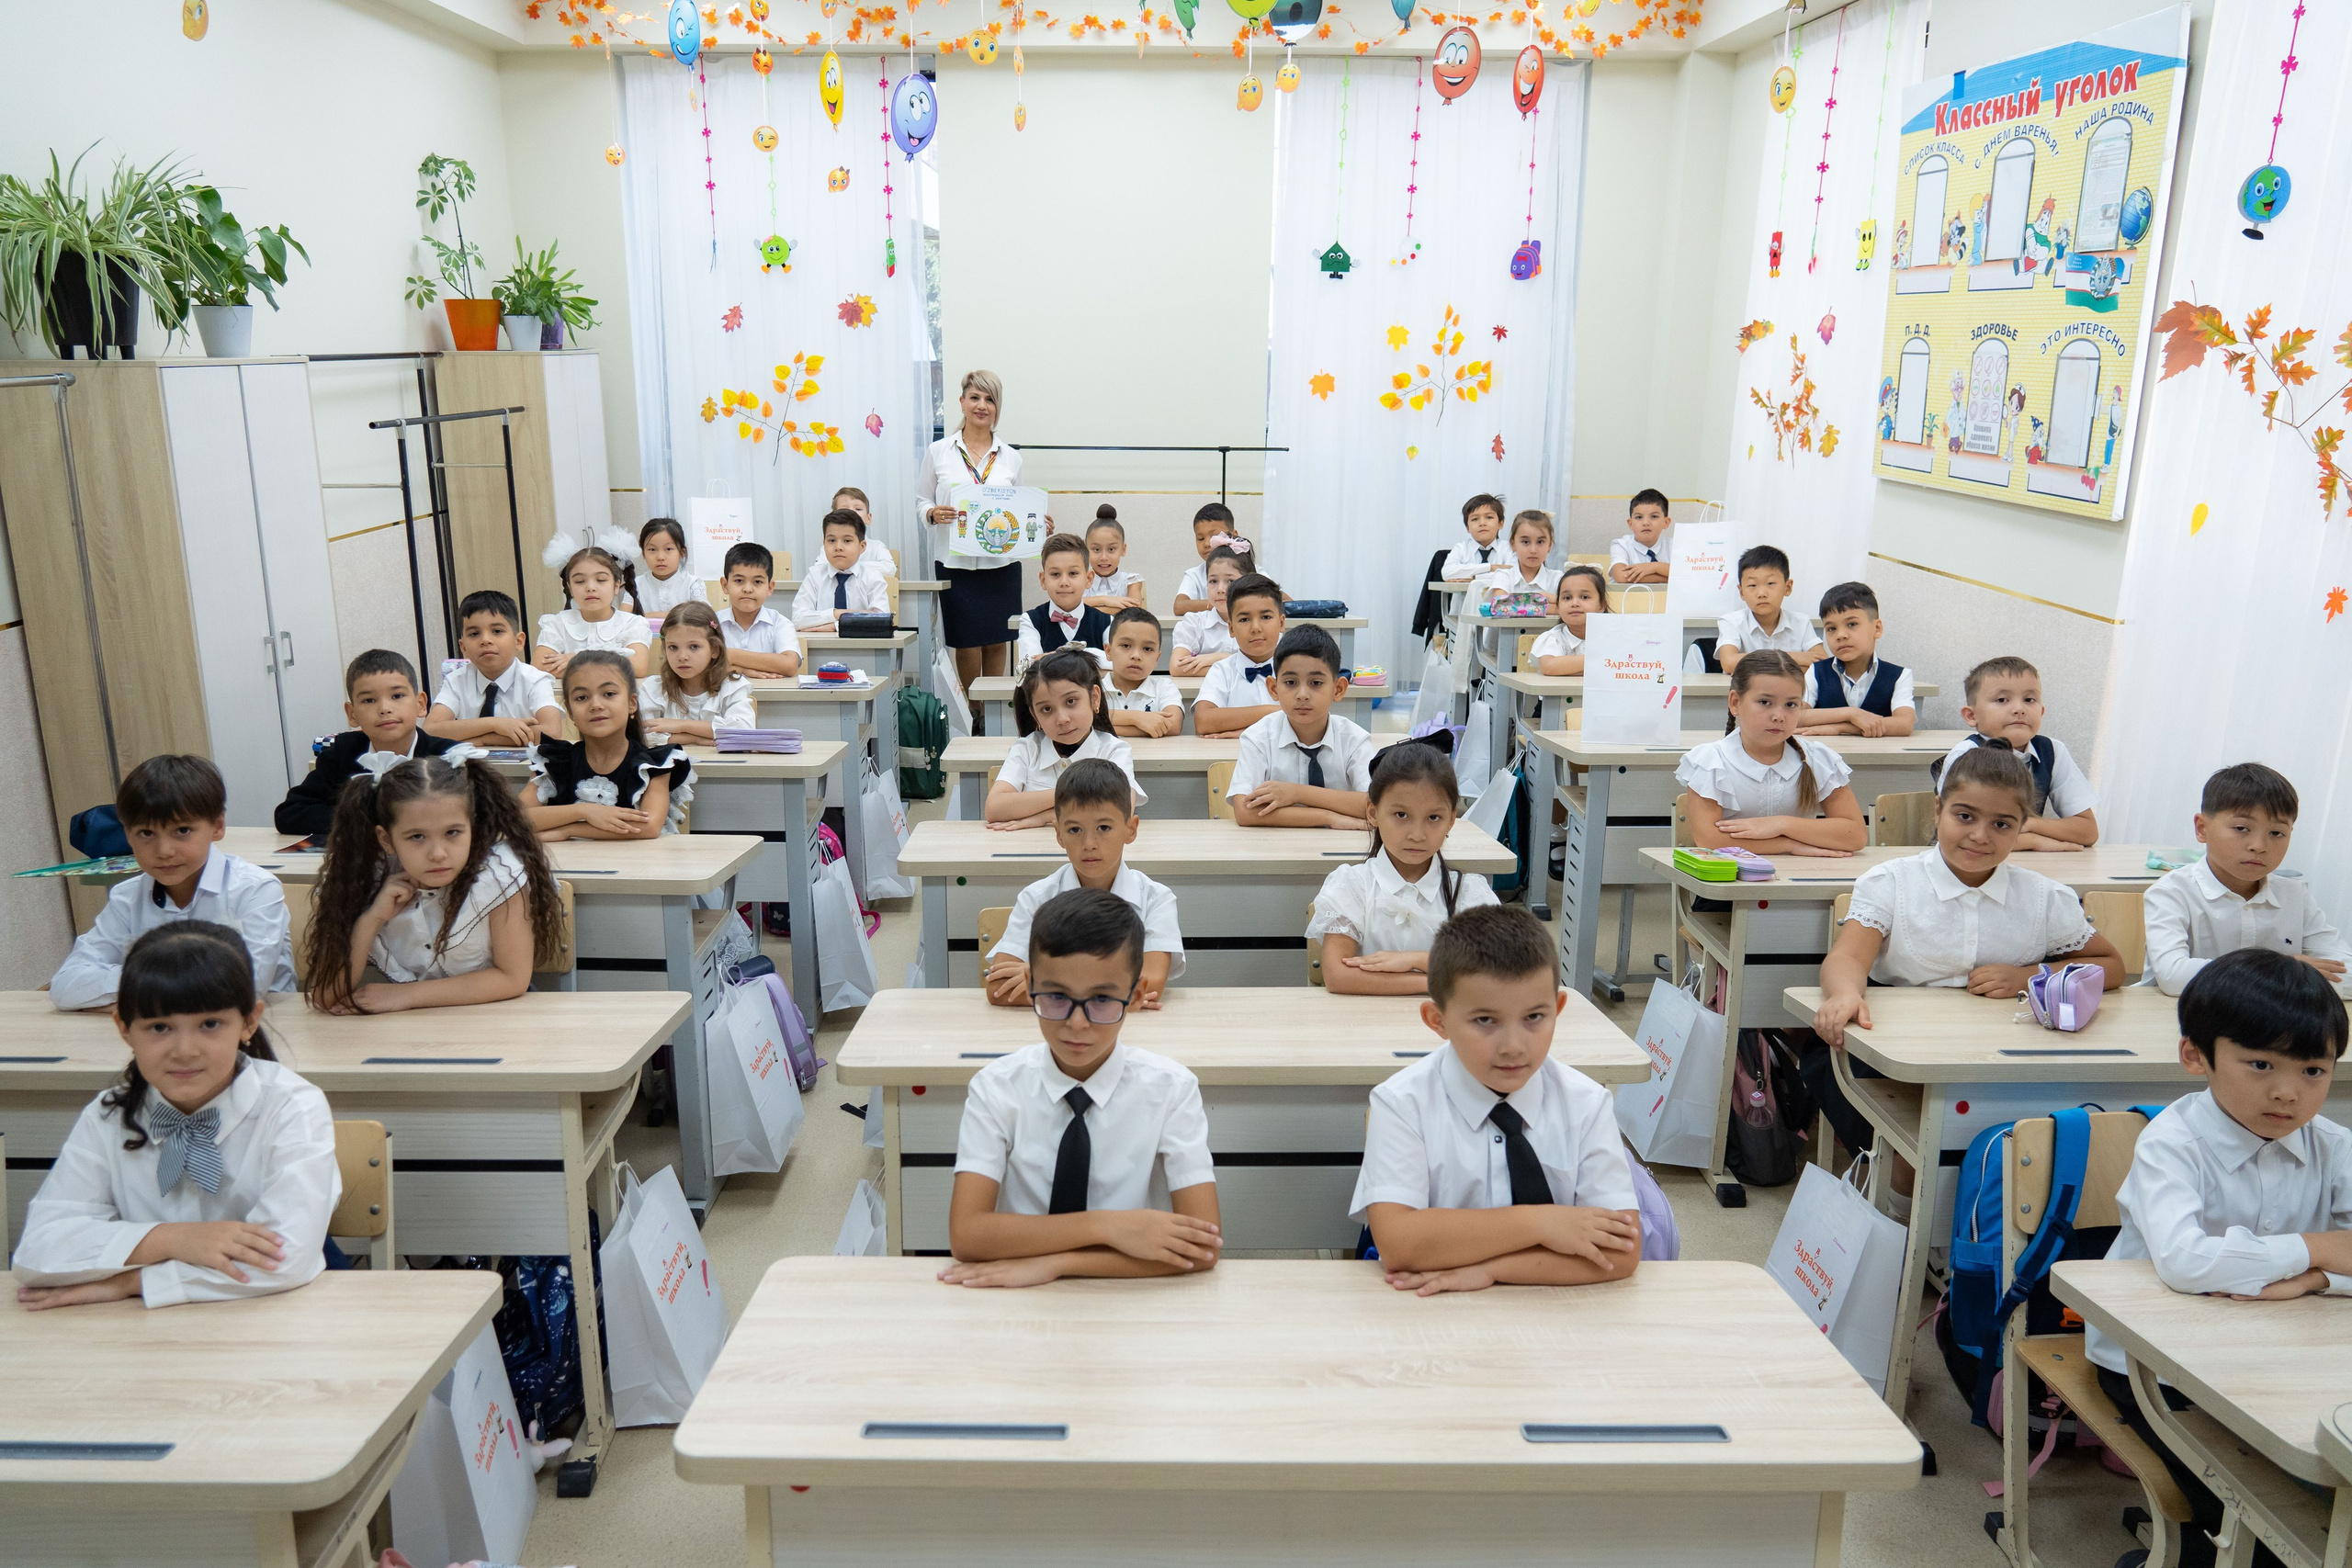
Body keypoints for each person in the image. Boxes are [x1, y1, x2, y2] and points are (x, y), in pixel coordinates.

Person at [2088, 950, 2352, 1568]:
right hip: (2154, 1369)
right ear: (2195, 1057)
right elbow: (2186, 1261)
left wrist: (2314, 1278)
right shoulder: (2172, 1144)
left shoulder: (2335, 1146)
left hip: (2282, 1359)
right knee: (2257, 1516)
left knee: (2313, 1492)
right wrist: (2318, 1249)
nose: (2287, 1090)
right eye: (2260, 1063)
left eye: (2314, 1070)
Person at [1807, 747, 2124, 1190]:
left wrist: (2031, 974)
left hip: (1996, 1059)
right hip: (1894, 1055)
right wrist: (1844, 994)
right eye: (1965, 816)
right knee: (1914, 1156)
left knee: (2020, 1149)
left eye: (2001, 824)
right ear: (1938, 811)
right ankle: (1908, 1231)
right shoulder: (1892, 881)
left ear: (2022, 829)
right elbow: (1847, 957)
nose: (1980, 836)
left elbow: (2111, 965)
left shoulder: (2044, 897)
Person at [15, 922, 338, 1310]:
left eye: (210, 1024)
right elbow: (37, 1252)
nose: (184, 1050)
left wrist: (134, 1281)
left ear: (249, 1022)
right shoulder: (109, 1114)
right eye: (159, 1027)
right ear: (124, 1028)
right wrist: (171, 1239)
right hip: (148, 1337)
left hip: (279, 1316)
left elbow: (285, 1262)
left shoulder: (292, 1107)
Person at [1351, 905, 1642, 1295]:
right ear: (1437, 1020)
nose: (1513, 1047)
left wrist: (1490, 1271)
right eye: (1485, 1021)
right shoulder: (1403, 1103)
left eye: (1534, 1017)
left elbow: (1621, 1253)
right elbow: (1400, 1244)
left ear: (1557, 1010)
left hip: (1557, 1315)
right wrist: (1542, 1223)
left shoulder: (1587, 1103)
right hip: (1430, 1315)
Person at [939, 888, 1220, 1288]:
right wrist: (1109, 1227)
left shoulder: (1172, 1089)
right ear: (1030, 984)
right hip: (1019, 1299)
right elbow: (967, 1236)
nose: (1077, 1023)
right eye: (1055, 997)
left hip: (1130, 1300)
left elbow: (1203, 1246)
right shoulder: (997, 1087)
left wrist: (1057, 1264)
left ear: (1136, 996)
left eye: (1102, 1000)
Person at [304, 753, 563, 1015]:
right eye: (417, 836)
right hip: (410, 1031)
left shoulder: (499, 875)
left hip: (496, 1020)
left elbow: (512, 979)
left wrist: (406, 996)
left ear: (473, 827)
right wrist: (372, 919)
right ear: (386, 839)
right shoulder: (364, 875)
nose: (438, 853)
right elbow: (326, 996)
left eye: (452, 833)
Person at [52, 755, 295, 1011]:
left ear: (218, 827)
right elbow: (65, 985)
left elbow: (241, 992)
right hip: (153, 1037)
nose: (164, 850)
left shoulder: (255, 890)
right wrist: (179, 988)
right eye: (146, 833)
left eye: (182, 831)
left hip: (260, 1035)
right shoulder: (127, 897)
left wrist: (132, 994)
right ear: (128, 836)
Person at [985, 760, 1184, 1010]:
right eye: (1075, 829)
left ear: (1130, 829)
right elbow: (999, 988)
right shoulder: (1036, 898)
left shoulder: (1156, 899)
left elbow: (1151, 983)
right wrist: (1113, 992)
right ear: (1058, 834)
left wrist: (1046, 981)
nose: (1089, 843)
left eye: (1103, 827)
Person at [2144, 763, 2350, 996]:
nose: (2259, 846)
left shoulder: (2294, 895)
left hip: (2267, 1025)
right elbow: (2173, 976)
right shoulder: (2172, 892)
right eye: (2241, 828)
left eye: (2276, 833)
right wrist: (2281, 970)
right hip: (2181, 1021)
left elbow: (2347, 972)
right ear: (2202, 828)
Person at [1310, 743, 1497, 994]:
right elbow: (1337, 976)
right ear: (1373, 813)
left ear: (1451, 820)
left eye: (1433, 818)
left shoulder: (1469, 893)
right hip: (1364, 1024)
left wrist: (1415, 960)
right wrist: (1440, 981)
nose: (1417, 835)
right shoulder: (1351, 885)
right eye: (1401, 815)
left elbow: (1497, 969)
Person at [1677, 649, 1865, 857]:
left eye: (1791, 705)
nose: (1779, 716)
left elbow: (1855, 835)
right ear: (1735, 703)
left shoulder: (1818, 758)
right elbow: (1710, 840)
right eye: (1765, 702)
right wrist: (1789, 845)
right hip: (1732, 881)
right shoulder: (1710, 761)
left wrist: (1781, 824)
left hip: (1805, 875)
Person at [919, 369, 1027, 696]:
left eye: (990, 399)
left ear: (997, 407)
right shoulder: (939, 451)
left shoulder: (1012, 457)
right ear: (962, 402)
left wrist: (1036, 522)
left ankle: (992, 709)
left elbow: (1018, 508)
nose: (982, 406)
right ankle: (973, 711)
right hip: (955, 562)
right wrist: (932, 513)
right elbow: (922, 499)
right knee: (965, 641)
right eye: (975, 398)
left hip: (1002, 565)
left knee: (998, 639)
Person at [277, 649, 458, 840]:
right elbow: (290, 813)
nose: (384, 709)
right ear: (352, 714)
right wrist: (371, 821)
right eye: (369, 700)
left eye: (397, 696)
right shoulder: (343, 752)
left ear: (421, 704)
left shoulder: (447, 756)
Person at [522, 650, 696, 840]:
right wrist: (583, 811)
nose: (596, 705)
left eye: (609, 694)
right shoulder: (555, 760)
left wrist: (569, 830)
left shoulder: (654, 764)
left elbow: (649, 827)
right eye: (581, 697)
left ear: (632, 703)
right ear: (570, 711)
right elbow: (513, 818)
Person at [1938, 656, 2098, 850]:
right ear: (1971, 715)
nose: (2019, 709)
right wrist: (2034, 840)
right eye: (2002, 700)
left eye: (2029, 700)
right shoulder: (1966, 755)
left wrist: (2030, 823)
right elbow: (1963, 837)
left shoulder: (2053, 751)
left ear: (2041, 711)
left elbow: (2088, 831)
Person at [1227, 625, 1373, 828]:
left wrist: (1296, 792)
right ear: (1273, 688)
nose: (1302, 694)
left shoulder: (1354, 739)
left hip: (1342, 847)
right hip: (1276, 849)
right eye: (1290, 682)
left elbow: (1374, 807)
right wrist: (1328, 818)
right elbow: (1244, 812)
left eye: (1315, 683)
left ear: (1338, 689)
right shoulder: (1258, 738)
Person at [987, 648, 1145, 829]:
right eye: (1046, 709)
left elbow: (1121, 810)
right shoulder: (1027, 748)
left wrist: (1044, 817)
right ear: (1035, 715)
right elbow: (995, 808)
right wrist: (1075, 795)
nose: (1062, 719)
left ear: (1094, 697)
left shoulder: (1113, 750)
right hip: (1033, 850)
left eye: (1071, 702)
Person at [424, 591, 565, 747]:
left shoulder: (535, 680)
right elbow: (430, 730)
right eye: (474, 634)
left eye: (497, 631)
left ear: (519, 641)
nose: (485, 640)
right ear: (463, 647)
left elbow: (552, 732)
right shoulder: (456, 680)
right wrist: (494, 724)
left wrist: (483, 740)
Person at [1797, 581, 1917, 737]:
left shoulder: (1899, 675)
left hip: (1876, 758)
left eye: (1852, 624)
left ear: (1877, 628)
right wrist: (1851, 714)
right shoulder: (1817, 671)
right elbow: (1796, 716)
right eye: (1831, 628)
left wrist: (1841, 728)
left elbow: (1904, 724)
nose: (1841, 635)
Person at [638, 600, 756, 744]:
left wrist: (681, 726)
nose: (682, 657)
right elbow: (644, 736)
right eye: (673, 647)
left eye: (694, 647)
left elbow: (743, 732)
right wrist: (696, 738)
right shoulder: (653, 689)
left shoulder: (732, 687)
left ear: (714, 649)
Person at [533, 536, 651, 678]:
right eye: (580, 581)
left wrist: (578, 659)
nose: (590, 587)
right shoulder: (557, 624)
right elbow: (540, 667)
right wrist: (611, 667)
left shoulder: (632, 624)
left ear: (616, 586)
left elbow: (638, 667)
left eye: (600, 580)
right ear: (570, 588)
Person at [1191, 570, 1288, 737]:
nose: (1256, 627)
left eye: (1265, 617)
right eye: (1244, 619)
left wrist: (1243, 730)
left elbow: (1309, 720)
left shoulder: (1297, 668)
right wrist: (1273, 712)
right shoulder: (1222, 671)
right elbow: (1203, 721)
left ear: (1281, 623)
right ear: (1231, 628)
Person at [1012, 533, 1114, 674]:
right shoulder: (1030, 620)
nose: (1064, 582)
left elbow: (1116, 661)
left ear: (1089, 579)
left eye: (1073, 573)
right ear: (1043, 580)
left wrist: (1054, 656)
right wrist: (1090, 659)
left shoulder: (1107, 621)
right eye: (1055, 574)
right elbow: (1030, 666)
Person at [1715, 545, 1825, 673]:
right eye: (1752, 585)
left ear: (1788, 587)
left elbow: (1821, 663)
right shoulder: (1731, 622)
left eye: (1770, 583)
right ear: (1742, 593)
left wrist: (1753, 665)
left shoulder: (1801, 622)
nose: (1761, 593)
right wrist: (1794, 657)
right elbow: (1729, 663)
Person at [791, 509, 892, 633]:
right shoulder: (814, 576)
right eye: (831, 540)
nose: (838, 547)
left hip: (864, 650)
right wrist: (837, 614)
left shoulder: (872, 577)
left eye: (847, 541)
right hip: (821, 650)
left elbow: (880, 620)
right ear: (824, 544)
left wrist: (836, 626)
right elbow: (798, 620)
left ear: (862, 547)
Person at [717, 542, 804, 677]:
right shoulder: (712, 623)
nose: (747, 589)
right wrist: (742, 670)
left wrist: (729, 655)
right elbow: (700, 664)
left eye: (757, 582)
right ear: (725, 585)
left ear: (770, 587)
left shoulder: (780, 623)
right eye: (739, 580)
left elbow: (790, 665)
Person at [1102, 607, 1183, 739]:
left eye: (1147, 648)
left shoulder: (1164, 687)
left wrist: (1103, 727)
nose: (1136, 656)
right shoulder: (1094, 687)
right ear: (1108, 651)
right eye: (1126, 646)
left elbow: (1173, 725)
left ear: (1157, 658)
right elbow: (1084, 718)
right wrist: (1137, 718)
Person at [1171, 546, 1251, 676]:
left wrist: (1218, 658)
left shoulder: (1259, 624)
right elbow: (1177, 667)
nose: (1220, 589)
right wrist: (1234, 665)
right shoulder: (1195, 622)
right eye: (1213, 581)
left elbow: (1264, 667)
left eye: (1230, 581)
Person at [1472, 509, 1562, 611]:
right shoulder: (1503, 576)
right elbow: (1501, 606)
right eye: (1525, 542)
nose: (1533, 550)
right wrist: (1547, 599)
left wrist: (1517, 603)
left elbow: (1567, 608)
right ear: (1513, 544)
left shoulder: (1558, 579)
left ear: (1549, 545)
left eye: (1540, 542)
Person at [1531, 566, 1609, 676]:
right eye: (1567, 598)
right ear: (1558, 605)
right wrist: (1605, 661)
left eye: (1585, 597)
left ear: (1602, 605)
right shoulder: (1553, 638)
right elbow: (1549, 667)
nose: (1575, 603)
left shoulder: (1613, 637)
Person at [1171, 504, 1242, 615]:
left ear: (1234, 536)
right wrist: (1222, 604)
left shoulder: (1251, 569)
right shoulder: (1194, 575)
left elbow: (1276, 597)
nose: (1206, 544)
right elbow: (1179, 606)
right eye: (1200, 538)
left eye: (1214, 536)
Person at [634, 516, 706, 620]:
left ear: (682, 552)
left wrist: (643, 616)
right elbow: (624, 618)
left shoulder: (693, 584)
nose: (660, 557)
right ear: (643, 553)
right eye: (652, 549)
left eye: (668, 549)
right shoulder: (636, 584)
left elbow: (702, 617)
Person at [1081, 505, 1147, 612]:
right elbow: (1068, 606)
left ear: (1123, 549)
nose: (1104, 557)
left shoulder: (1131, 581)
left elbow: (1133, 612)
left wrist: (1087, 608)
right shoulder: (1080, 580)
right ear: (1086, 550)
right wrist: (1105, 600)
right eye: (1096, 550)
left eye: (1111, 549)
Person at [830, 485, 899, 576]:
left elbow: (889, 569)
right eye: (845, 509)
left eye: (858, 509)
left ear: (868, 518)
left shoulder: (876, 547)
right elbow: (820, 569)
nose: (852, 513)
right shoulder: (830, 547)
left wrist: (852, 567)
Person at [1439, 493, 1510, 581]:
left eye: (1489, 517)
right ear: (1467, 527)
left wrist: (1475, 577)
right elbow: (1447, 573)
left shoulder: (1508, 548)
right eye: (1475, 519)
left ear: (1500, 524)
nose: (1482, 523)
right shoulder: (1461, 548)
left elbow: (1513, 573)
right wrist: (1491, 567)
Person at [1610, 489, 1672, 584]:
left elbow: (1686, 573)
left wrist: (1655, 567)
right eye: (1639, 517)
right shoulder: (1621, 545)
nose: (1646, 523)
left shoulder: (1674, 546)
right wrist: (1667, 578)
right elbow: (1622, 577)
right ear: (1630, 524)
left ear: (1666, 522)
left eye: (1654, 516)